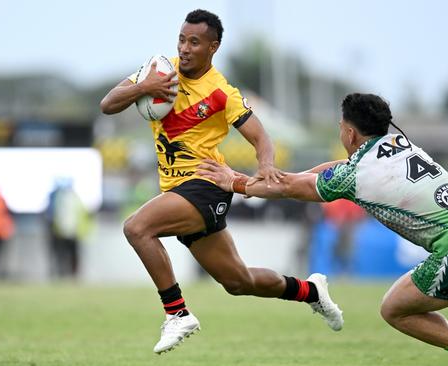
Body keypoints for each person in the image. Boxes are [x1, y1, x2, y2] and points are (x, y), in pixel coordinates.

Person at [198, 93, 448, 366]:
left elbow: (288, 189)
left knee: (395, 309)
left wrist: (235, 181)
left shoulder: (355, 174)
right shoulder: (399, 141)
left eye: (341, 128)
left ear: (349, 133)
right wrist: (296, 174)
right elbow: (327, 171)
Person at [100, 9, 343, 354]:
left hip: (207, 183)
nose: (184, 48)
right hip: (177, 190)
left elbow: (261, 137)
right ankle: (311, 291)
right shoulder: (159, 71)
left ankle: (177, 313)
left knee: (137, 228)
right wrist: (145, 86)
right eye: (181, 39)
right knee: (238, 281)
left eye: (194, 42)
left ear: (212, 47)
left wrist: (267, 166)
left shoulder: (221, 92)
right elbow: (107, 104)